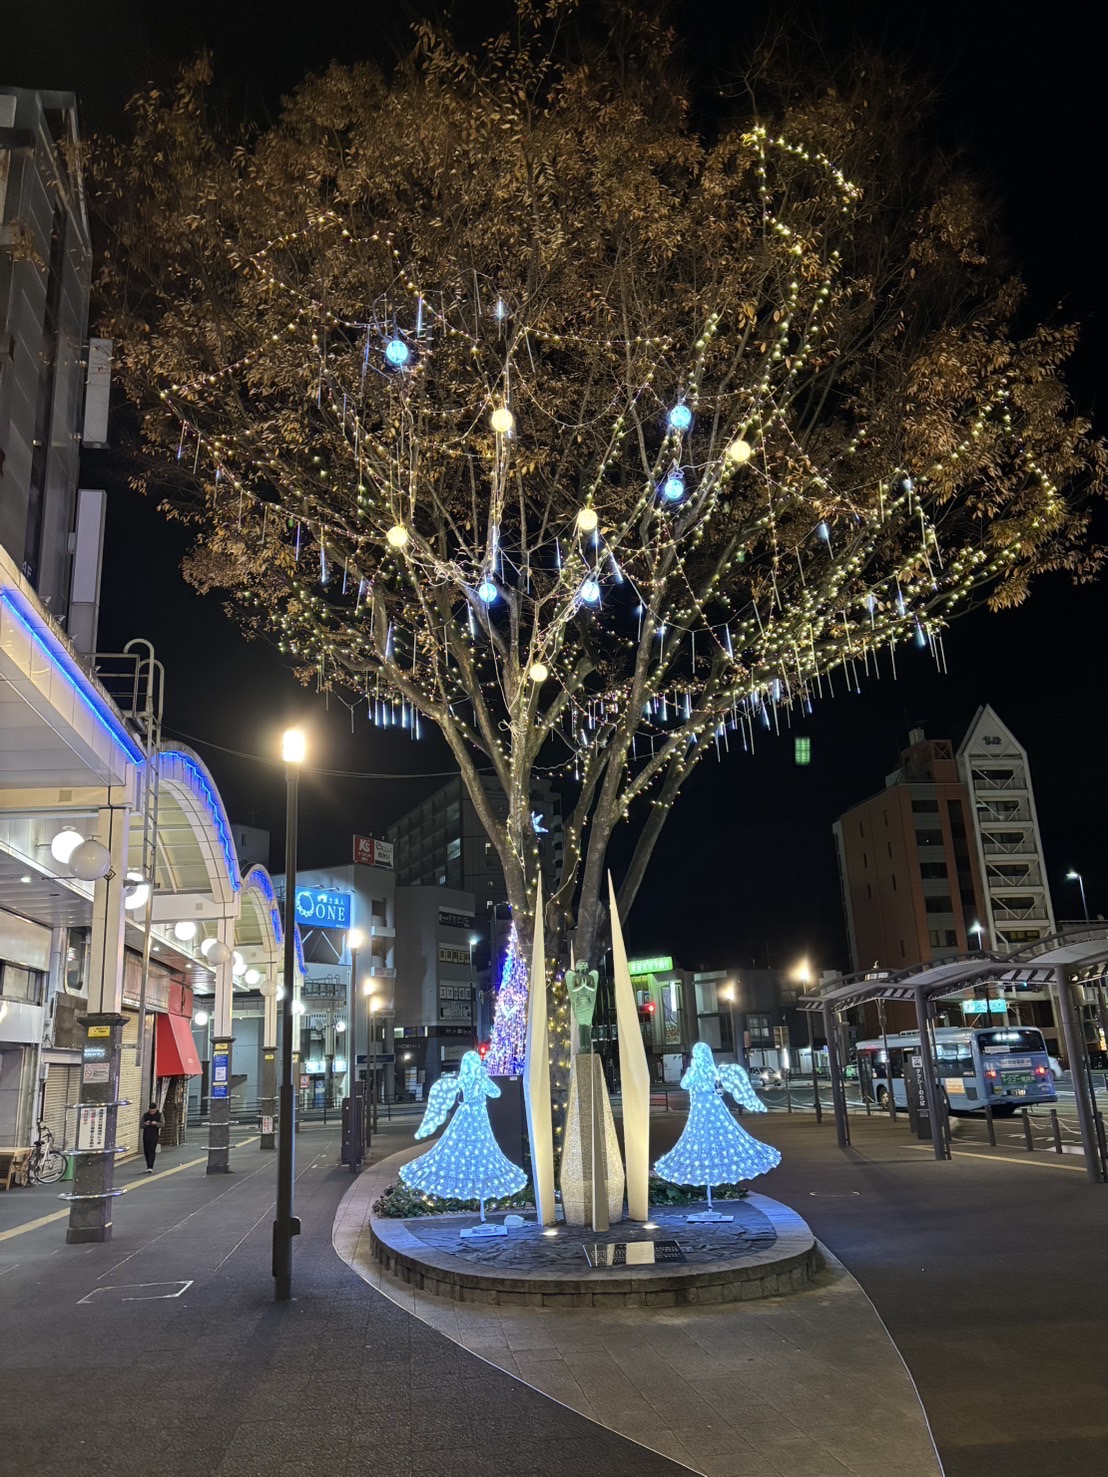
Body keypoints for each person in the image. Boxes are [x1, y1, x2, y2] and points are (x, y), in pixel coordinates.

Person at [141, 1102, 163, 1172]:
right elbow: (141, 1125)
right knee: (146, 1151)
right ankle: (148, 1166)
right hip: (146, 1135)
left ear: (156, 1109)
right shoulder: (145, 1115)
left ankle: (151, 1166)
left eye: (153, 1111)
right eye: (150, 1111)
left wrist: (156, 1123)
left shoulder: (159, 1115)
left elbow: (163, 1124)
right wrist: (145, 1124)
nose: (152, 1112)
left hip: (154, 1135)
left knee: (152, 1150)